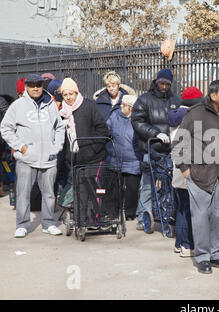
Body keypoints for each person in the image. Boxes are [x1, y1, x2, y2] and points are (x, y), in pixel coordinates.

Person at [172, 80, 219, 274]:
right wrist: (185, 168)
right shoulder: (195, 113)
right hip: (200, 173)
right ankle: (202, 256)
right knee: (201, 216)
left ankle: (216, 253)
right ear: (213, 95)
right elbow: (178, 142)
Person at [0, 74, 66, 238]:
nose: (35, 88)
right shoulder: (17, 106)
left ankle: (48, 223)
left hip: (48, 159)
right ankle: (22, 224)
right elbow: (6, 128)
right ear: (27, 87)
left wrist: (56, 147)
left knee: (49, 194)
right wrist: (21, 147)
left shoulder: (50, 104)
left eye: (38, 84)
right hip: (27, 159)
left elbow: (60, 127)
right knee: (23, 193)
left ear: (43, 85)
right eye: (31, 85)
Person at [131, 68, 181, 231]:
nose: (164, 86)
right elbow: (137, 121)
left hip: (170, 148)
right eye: (162, 83)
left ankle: (166, 211)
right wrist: (156, 133)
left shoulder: (175, 99)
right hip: (150, 147)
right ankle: (142, 214)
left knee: (169, 183)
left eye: (167, 84)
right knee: (147, 183)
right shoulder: (144, 100)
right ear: (156, 82)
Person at [60, 77, 110, 228]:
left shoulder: (89, 105)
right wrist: (67, 155)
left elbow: (102, 129)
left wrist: (92, 148)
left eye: (71, 94)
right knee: (79, 190)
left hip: (94, 156)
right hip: (76, 159)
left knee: (95, 189)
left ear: (77, 93)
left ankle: (95, 219)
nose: (68, 97)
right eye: (65, 95)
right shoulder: (62, 112)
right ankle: (81, 220)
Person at [168, 86, 204, 257]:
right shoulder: (191, 117)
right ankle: (185, 244)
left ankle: (179, 243)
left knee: (182, 207)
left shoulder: (176, 115)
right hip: (187, 167)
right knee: (187, 209)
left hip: (178, 167)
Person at [106, 94, 142, 220]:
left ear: (131, 108)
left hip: (133, 160)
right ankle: (113, 212)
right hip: (115, 158)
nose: (121, 106)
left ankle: (130, 213)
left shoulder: (138, 119)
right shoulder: (115, 116)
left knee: (132, 189)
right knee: (114, 189)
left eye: (124, 105)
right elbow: (106, 130)